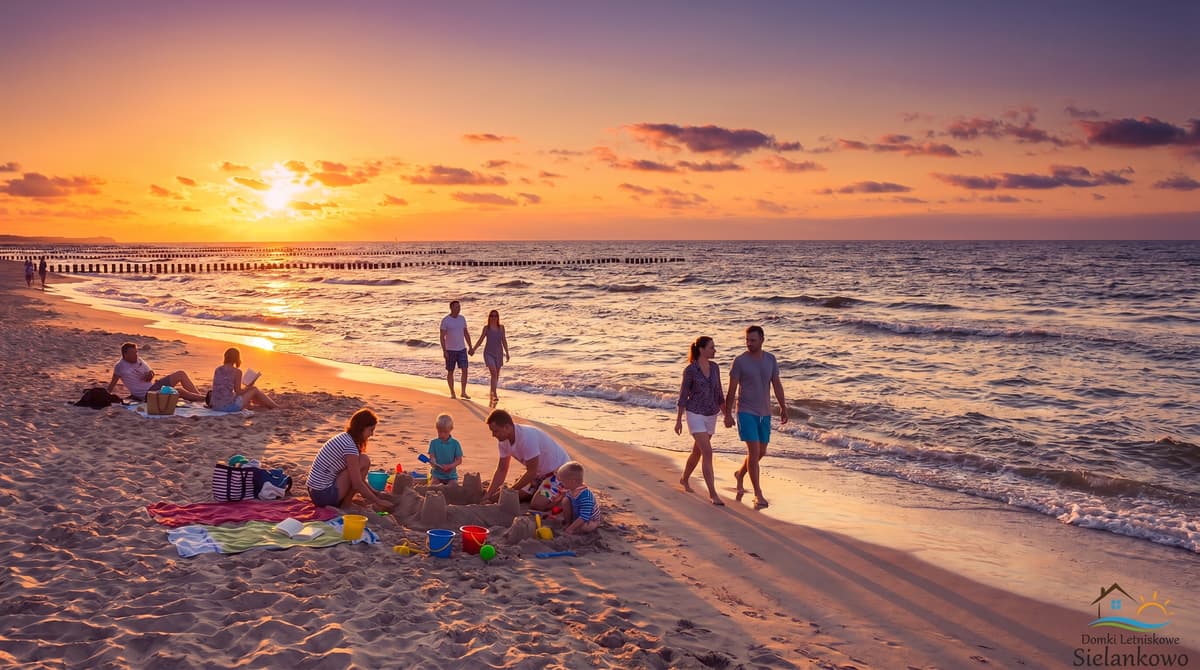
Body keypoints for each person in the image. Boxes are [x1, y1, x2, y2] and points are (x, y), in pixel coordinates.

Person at [723, 325, 788, 510]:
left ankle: (740, 474)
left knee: (761, 452)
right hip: (745, 411)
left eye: (752, 340)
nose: (749, 343)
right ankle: (758, 494)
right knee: (753, 452)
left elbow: (776, 384)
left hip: (765, 413)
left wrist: (783, 407)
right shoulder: (740, 361)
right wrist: (727, 414)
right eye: (747, 340)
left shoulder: (771, 359)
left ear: (762, 340)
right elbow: (732, 389)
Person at [307, 408, 395, 510]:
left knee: (362, 460)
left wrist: (375, 493)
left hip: (315, 492)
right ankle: (346, 504)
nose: (372, 434)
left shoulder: (345, 437)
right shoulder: (350, 446)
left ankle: (346, 501)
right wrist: (378, 501)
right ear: (361, 428)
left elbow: (358, 478)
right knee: (364, 461)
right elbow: (357, 484)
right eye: (370, 430)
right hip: (323, 495)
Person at [483, 409, 570, 511]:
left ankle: (563, 495)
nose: (493, 435)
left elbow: (531, 471)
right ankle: (539, 489)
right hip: (539, 473)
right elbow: (502, 469)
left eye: (496, 431)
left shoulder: (527, 438)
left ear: (507, 427)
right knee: (518, 496)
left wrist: (508, 492)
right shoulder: (503, 441)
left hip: (559, 472)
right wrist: (488, 495)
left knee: (537, 504)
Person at [674, 336, 726, 505]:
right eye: (711, 347)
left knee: (698, 452)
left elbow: (719, 394)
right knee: (708, 452)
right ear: (702, 350)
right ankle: (713, 494)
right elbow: (683, 395)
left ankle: (684, 478)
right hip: (694, 413)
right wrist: (679, 420)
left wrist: (728, 415)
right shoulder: (690, 370)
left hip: (711, 414)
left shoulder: (715, 368)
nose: (714, 350)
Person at [107, 342, 206, 403]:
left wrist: (150, 374)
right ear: (125, 354)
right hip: (147, 395)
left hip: (153, 387)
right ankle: (204, 399)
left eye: (136, 352)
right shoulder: (120, 366)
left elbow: (151, 372)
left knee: (181, 374)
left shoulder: (139, 360)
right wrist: (106, 396)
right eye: (133, 353)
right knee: (178, 391)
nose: (136, 355)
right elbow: (112, 385)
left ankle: (201, 397)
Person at [209, 347, 278, 412]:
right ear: (236, 358)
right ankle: (276, 406)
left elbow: (222, 388)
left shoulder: (218, 369)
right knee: (254, 389)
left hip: (215, 405)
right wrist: (249, 387)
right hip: (227, 407)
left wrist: (247, 388)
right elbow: (238, 392)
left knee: (250, 390)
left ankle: (265, 405)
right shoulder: (237, 372)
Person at [469, 309, 510, 403]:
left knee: (496, 374)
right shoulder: (486, 328)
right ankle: (494, 394)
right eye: (492, 316)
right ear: (489, 317)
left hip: (499, 353)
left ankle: (492, 391)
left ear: (498, 317)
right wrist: (473, 349)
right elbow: (480, 340)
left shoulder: (501, 328)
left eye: (495, 316)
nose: (494, 317)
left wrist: (507, 353)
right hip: (488, 353)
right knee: (494, 372)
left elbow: (504, 340)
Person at [550, 461, 601, 534]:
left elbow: (584, 516)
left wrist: (571, 529)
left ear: (572, 481)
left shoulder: (585, 496)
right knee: (565, 500)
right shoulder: (571, 489)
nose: (561, 484)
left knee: (583, 527)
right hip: (577, 513)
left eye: (563, 482)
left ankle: (594, 525)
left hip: (589, 519)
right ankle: (568, 522)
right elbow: (566, 502)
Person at [440, 300, 471, 399]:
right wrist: (444, 351)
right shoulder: (446, 320)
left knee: (465, 369)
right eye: (456, 307)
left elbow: (466, 333)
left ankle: (463, 392)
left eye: (459, 306)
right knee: (450, 371)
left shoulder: (462, 319)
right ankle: (452, 392)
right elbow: (442, 337)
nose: (458, 308)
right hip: (450, 350)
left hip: (462, 349)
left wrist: (470, 346)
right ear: (451, 308)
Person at [428, 413, 464, 485]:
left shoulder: (455, 444)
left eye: (445, 432)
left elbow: (459, 460)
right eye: (440, 432)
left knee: (453, 486)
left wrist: (449, 466)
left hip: (451, 476)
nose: (442, 435)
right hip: (437, 475)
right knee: (433, 485)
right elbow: (432, 456)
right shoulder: (434, 443)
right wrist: (433, 463)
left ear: (451, 429)